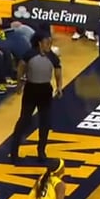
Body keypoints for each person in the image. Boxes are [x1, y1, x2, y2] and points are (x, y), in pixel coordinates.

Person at [10, 33, 62, 164]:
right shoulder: (30, 54)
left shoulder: (53, 57)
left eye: (50, 42)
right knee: (24, 120)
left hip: (45, 90)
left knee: (45, 123)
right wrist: (19, 84)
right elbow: (21, 68)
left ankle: (41, 152)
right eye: (46, 42)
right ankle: (14, 151)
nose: (49, 45)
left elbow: (58, 72)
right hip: (31, 89)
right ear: (39, 43)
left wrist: (59, 87)